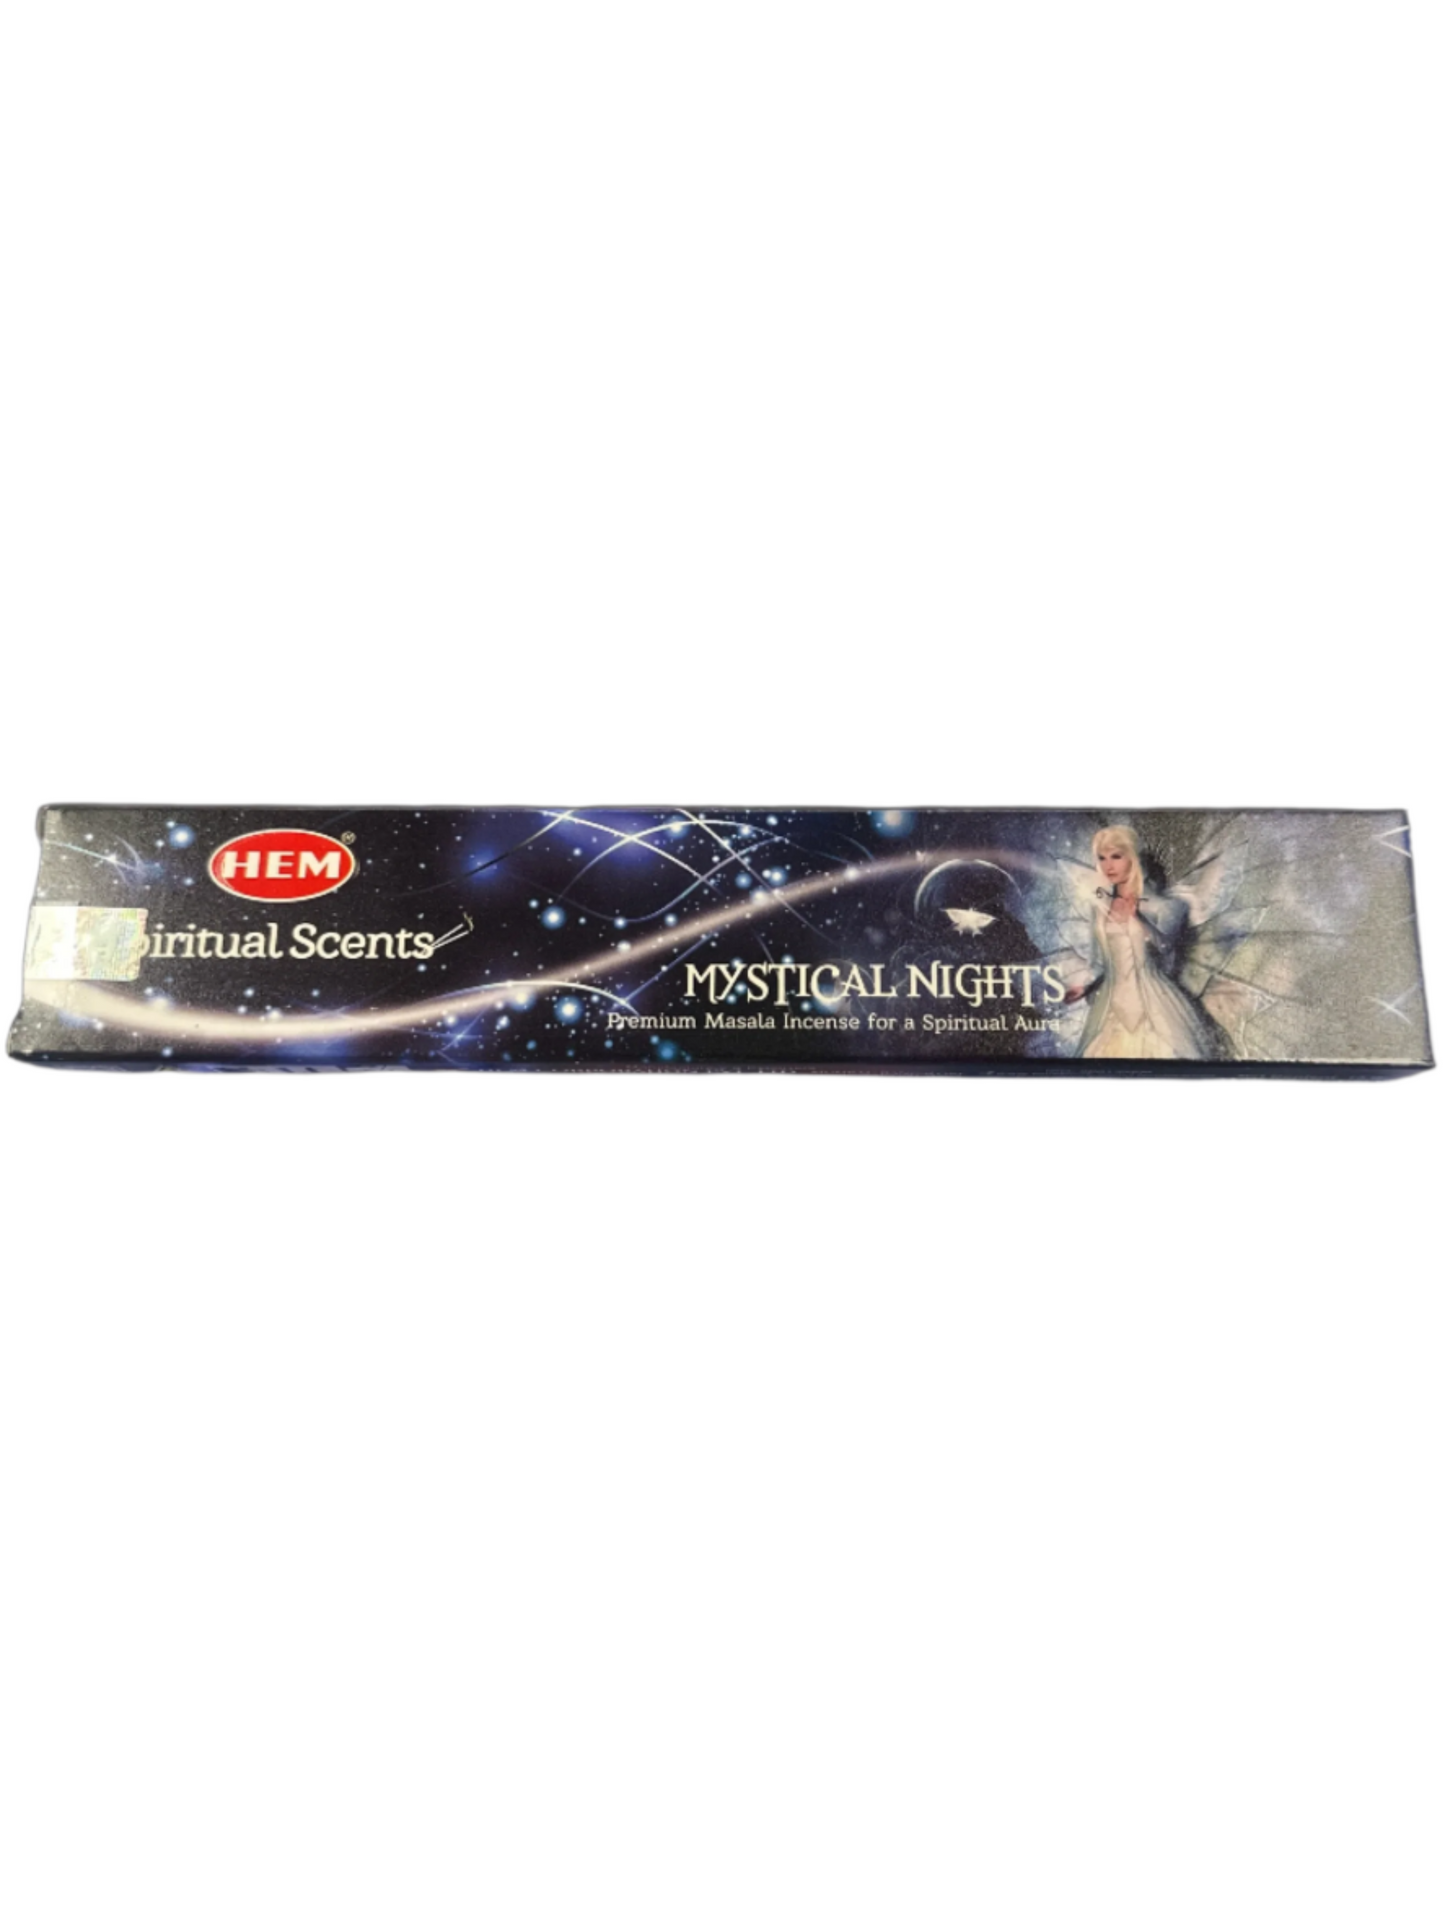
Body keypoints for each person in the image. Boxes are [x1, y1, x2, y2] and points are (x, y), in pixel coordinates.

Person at [1065, 825, 1220, 1060]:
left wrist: (1137, 918)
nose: (1108, 865)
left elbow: (1167, 948)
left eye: (1116, 856)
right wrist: (1085, 986)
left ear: (1133, 857)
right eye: (1102, 858)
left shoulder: (1165, 906)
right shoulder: (1100, 906)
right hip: (1111, 1003)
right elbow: (1099, 961)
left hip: (1154, 999)